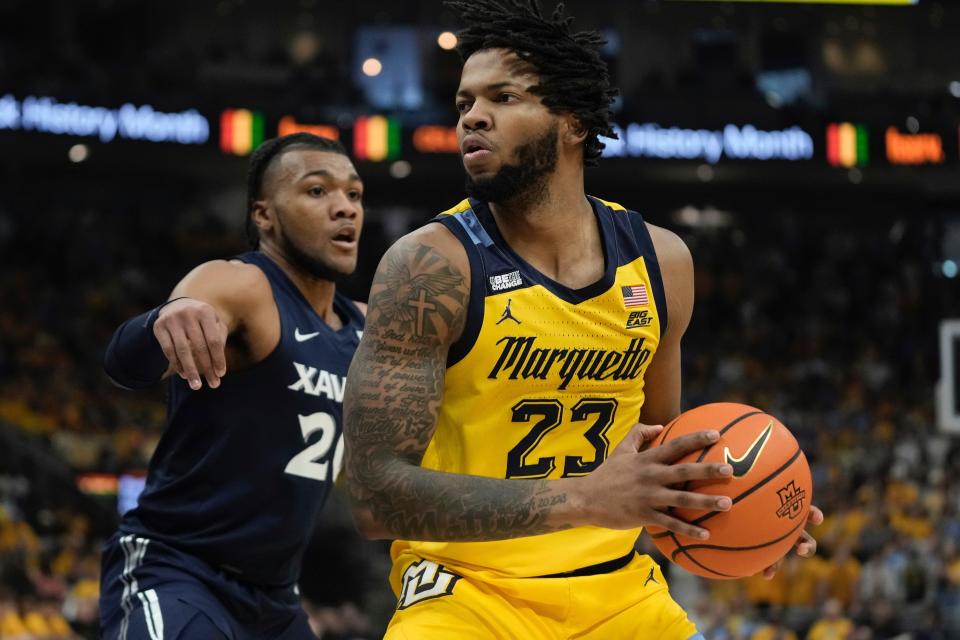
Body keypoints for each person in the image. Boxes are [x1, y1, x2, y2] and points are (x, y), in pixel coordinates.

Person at [342, 2, 822, 638]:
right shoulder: (431, 267)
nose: (472, 118)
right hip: (464, 596)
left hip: (620, 596)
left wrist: (748, 516)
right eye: (463, 104)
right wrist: (582, 499)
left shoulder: (661, 262)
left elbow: (658, 452)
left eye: (503, 97)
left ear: (571, 121)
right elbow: (375, 498)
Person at [99, 133, 366, 639]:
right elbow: (126, 363)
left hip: (278, 598)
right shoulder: (242, 286)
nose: (344, 208)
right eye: (317, 191)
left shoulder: (366, 329)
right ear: (263, 215)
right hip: (180, 571)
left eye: (354, 194)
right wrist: (170, 318)